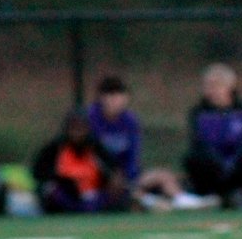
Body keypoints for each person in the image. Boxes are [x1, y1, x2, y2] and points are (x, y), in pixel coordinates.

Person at [87, 75, 214, 211]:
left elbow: (133, 155)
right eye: (111, 97)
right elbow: (89, 155)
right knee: (129, 194)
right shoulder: (90, 119)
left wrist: (129, 177)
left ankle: (184, 201)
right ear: (101, 98)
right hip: (99, 179)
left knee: (164, 176)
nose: (115, 101)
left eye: (119, 96)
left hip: (127, 178)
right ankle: (151, 203)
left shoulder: (130, 121)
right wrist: (109, 176)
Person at [182, 63, 242, 208]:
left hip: (236, 164)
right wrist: (218, 163)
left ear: (230, 86)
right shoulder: (198, 112)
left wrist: (232, 164)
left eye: (216, 85)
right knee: (193, 158)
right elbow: (198, 142)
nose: (211, 90)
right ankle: (208, 196)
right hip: (211, 165)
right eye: (207, 86)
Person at [32, 108, 129, 213]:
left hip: (92, 195)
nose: (77, 133)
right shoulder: (55, 148)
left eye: (81, 128)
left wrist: (115, 180)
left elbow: (114, 171)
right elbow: (39, 173)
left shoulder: (96, 147)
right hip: (65, 195)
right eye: (74, 128)